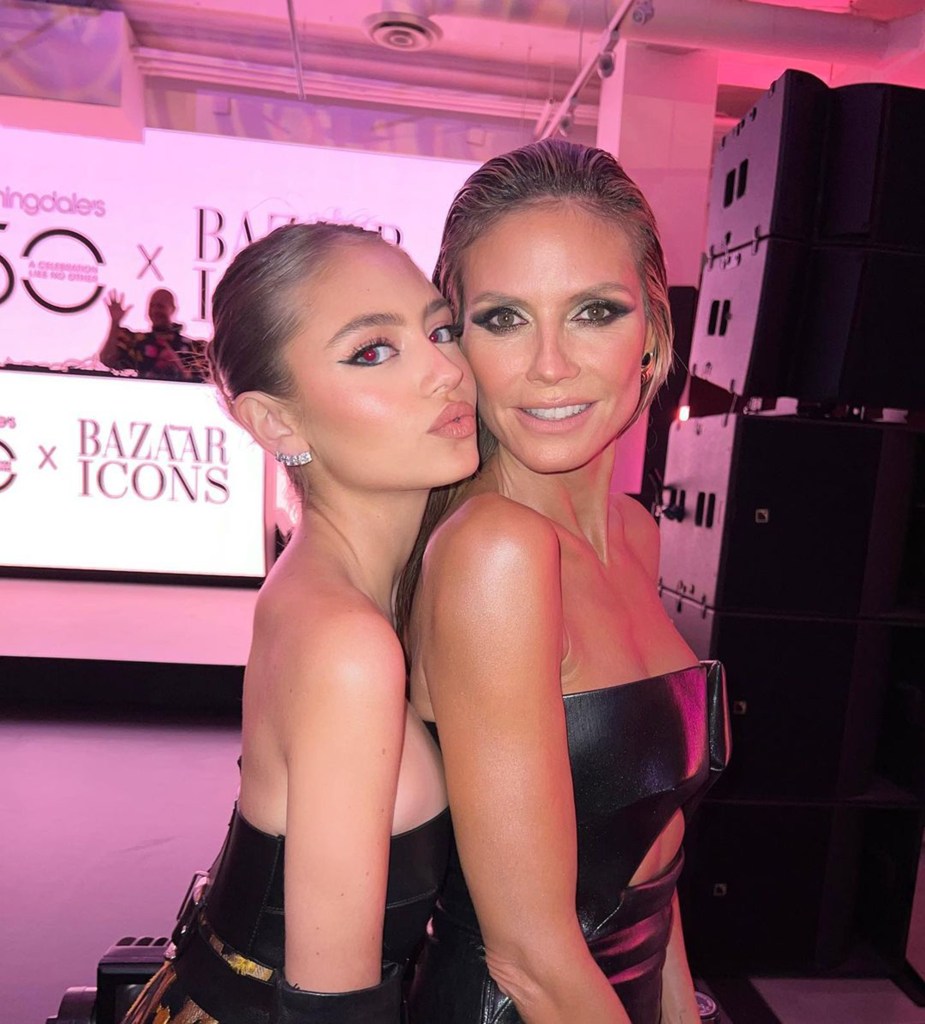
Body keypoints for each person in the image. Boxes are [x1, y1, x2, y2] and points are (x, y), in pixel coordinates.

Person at [401, 140, 730, 1024]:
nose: (549, 364)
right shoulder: (493, 553)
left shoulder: (632, 533)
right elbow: (529, 954)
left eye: (593, 311)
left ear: (653, 333)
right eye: (503, 318)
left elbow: (651, 870)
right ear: (456, 343)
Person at [121, 222, 479, 1024]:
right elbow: (330, 1011)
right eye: (372, 351)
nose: (445, 370)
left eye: (439, 329)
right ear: (277, 425)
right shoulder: (345, 644)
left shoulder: (340, 591)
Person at [99, 287, 206, 381]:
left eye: (160, 306)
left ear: (173, 309)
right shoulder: (137, 342)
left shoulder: (193, 348)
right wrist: (115, 322)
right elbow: (107, 359)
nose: (155, 310)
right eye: (151, 306)